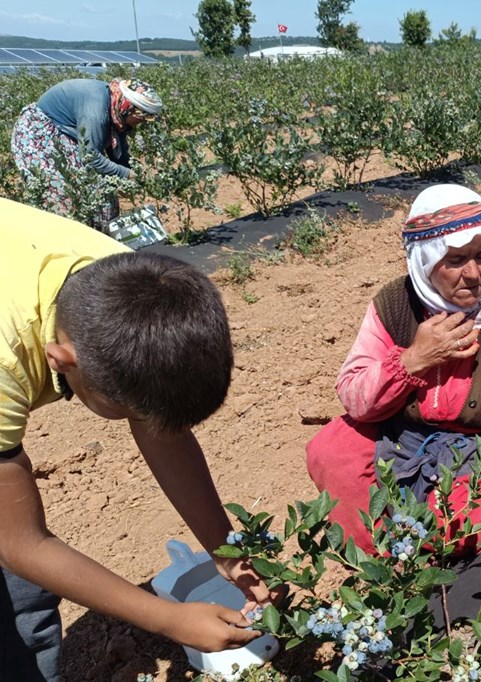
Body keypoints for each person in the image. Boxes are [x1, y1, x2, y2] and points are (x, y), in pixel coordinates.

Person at [0, 198, 279, 681]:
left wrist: (226, 552)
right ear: (61, 361)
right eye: (127, 410)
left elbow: (161, 429)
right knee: (18, 603)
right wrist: (168, 619)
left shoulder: (120, 281)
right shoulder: (5, 360)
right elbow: (20, 541)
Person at [306, 184, 481, 554]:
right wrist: (413, 359)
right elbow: (354, 395)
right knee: (332, 450)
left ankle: (429, 547)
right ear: (425, 262)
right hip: (407, 441)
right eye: (455, 260)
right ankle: (380, 563)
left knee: (464, 520)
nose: (474, 274)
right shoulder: (396, 303)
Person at [9, 78, 162, 227]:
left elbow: (119, 156)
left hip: (70, 133)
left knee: (102, 191)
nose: (145, 121)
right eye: (145, 116)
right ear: (129, 107)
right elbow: (91, 158)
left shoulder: (117, 110)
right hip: (40, 132)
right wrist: (128, 175)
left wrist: (136, 174)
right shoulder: (95, 112)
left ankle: (102, 233)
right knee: (64, 190)